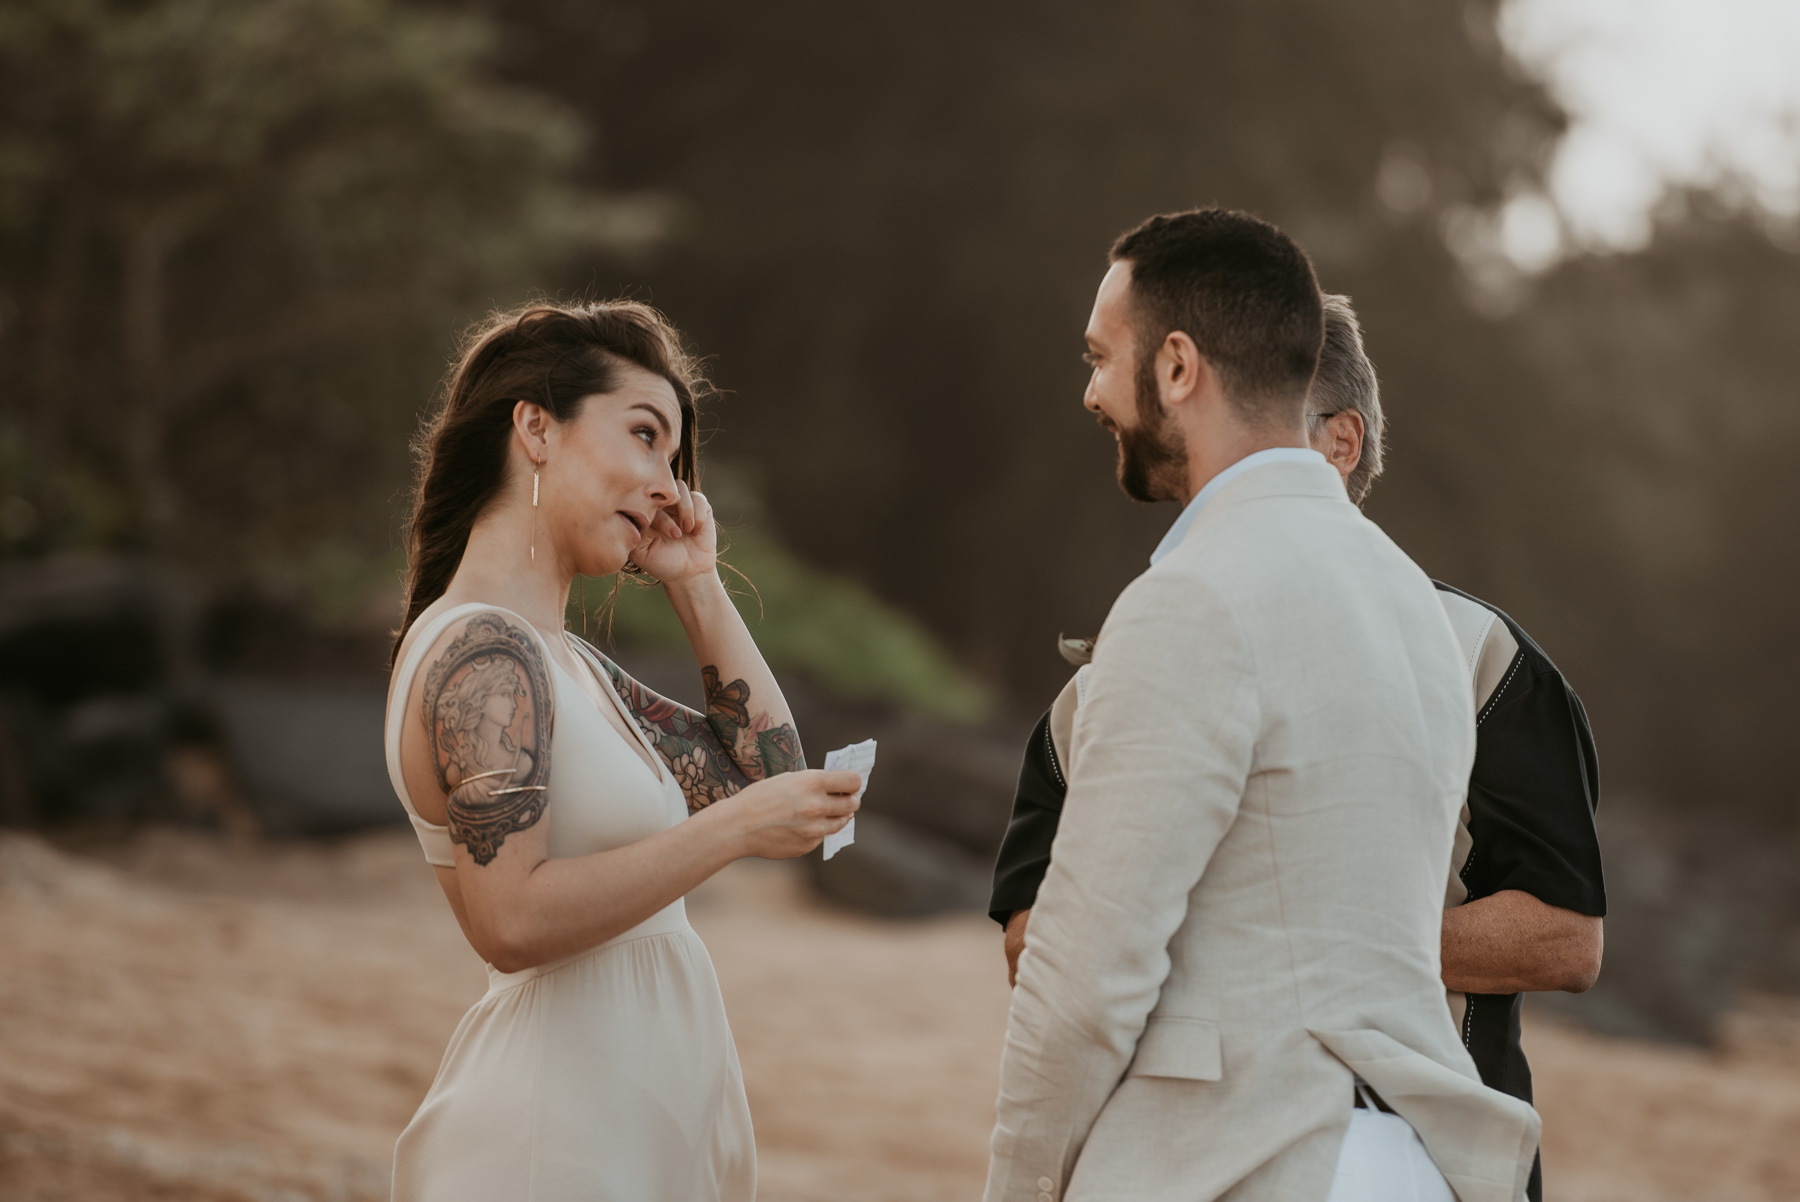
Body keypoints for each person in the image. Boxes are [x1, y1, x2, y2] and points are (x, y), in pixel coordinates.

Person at [990, 294, 1605, 1202]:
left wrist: (1298, 946)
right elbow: (1031, 940)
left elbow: (1567, 940)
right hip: (1171, 1148)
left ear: (1340, 443)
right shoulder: (1109, 672)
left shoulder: (1483, 660)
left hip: (1421, 1140)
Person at [381, 301, 863, 1201]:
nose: (670, 489)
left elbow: (773, 784)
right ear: (536, 428)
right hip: (550, 1137)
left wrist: (698, 585)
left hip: (627, 1125)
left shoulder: (567, 664)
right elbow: (510, 924)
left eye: (676, 461)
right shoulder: (485, 654)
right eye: (645, 438)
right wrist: (732, 834)